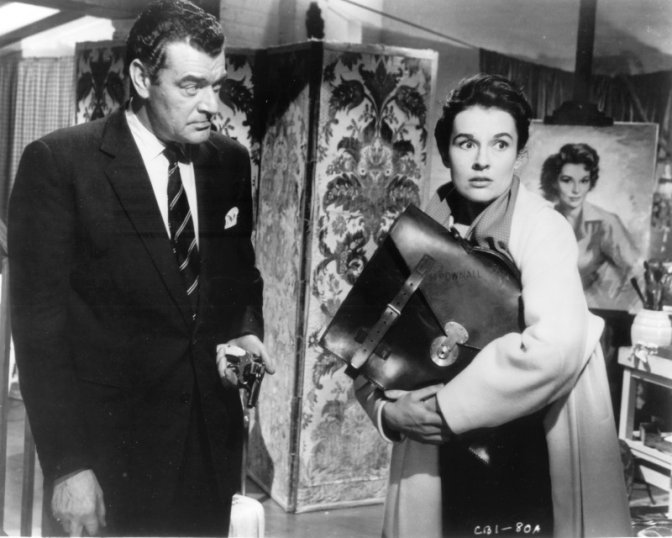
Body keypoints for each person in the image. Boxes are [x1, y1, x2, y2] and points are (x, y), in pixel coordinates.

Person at [8, 0, 274, 535]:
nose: (211, 105)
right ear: (141, 78)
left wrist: (246, 331)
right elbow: (40, 336)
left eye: (217, 85)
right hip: (109, 464)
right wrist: (68, 466)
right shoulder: (60, 165)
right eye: (191, 86)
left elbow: (241, 278)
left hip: (208, 454)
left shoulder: (228, 161)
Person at [355, 74, 632, 537]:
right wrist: (387, 413)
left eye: (500, 144)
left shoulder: (542, 228)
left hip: (528, 441)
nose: (482, 160)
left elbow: (555, 348)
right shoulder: (418, 229)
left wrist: (446, 409)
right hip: (433, 444)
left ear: (520, 155)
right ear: (446, 152)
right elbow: (365, 342)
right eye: (466, 143)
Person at [540, 142, 641, 309]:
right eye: (567, 180)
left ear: (590, 183)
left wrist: (618, 306)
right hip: (545, 309)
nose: (576, 190)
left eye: (584, 181)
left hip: (592, 312)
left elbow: (637, 269)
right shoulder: (542, 220)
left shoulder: (606, 222)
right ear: (554, 182)